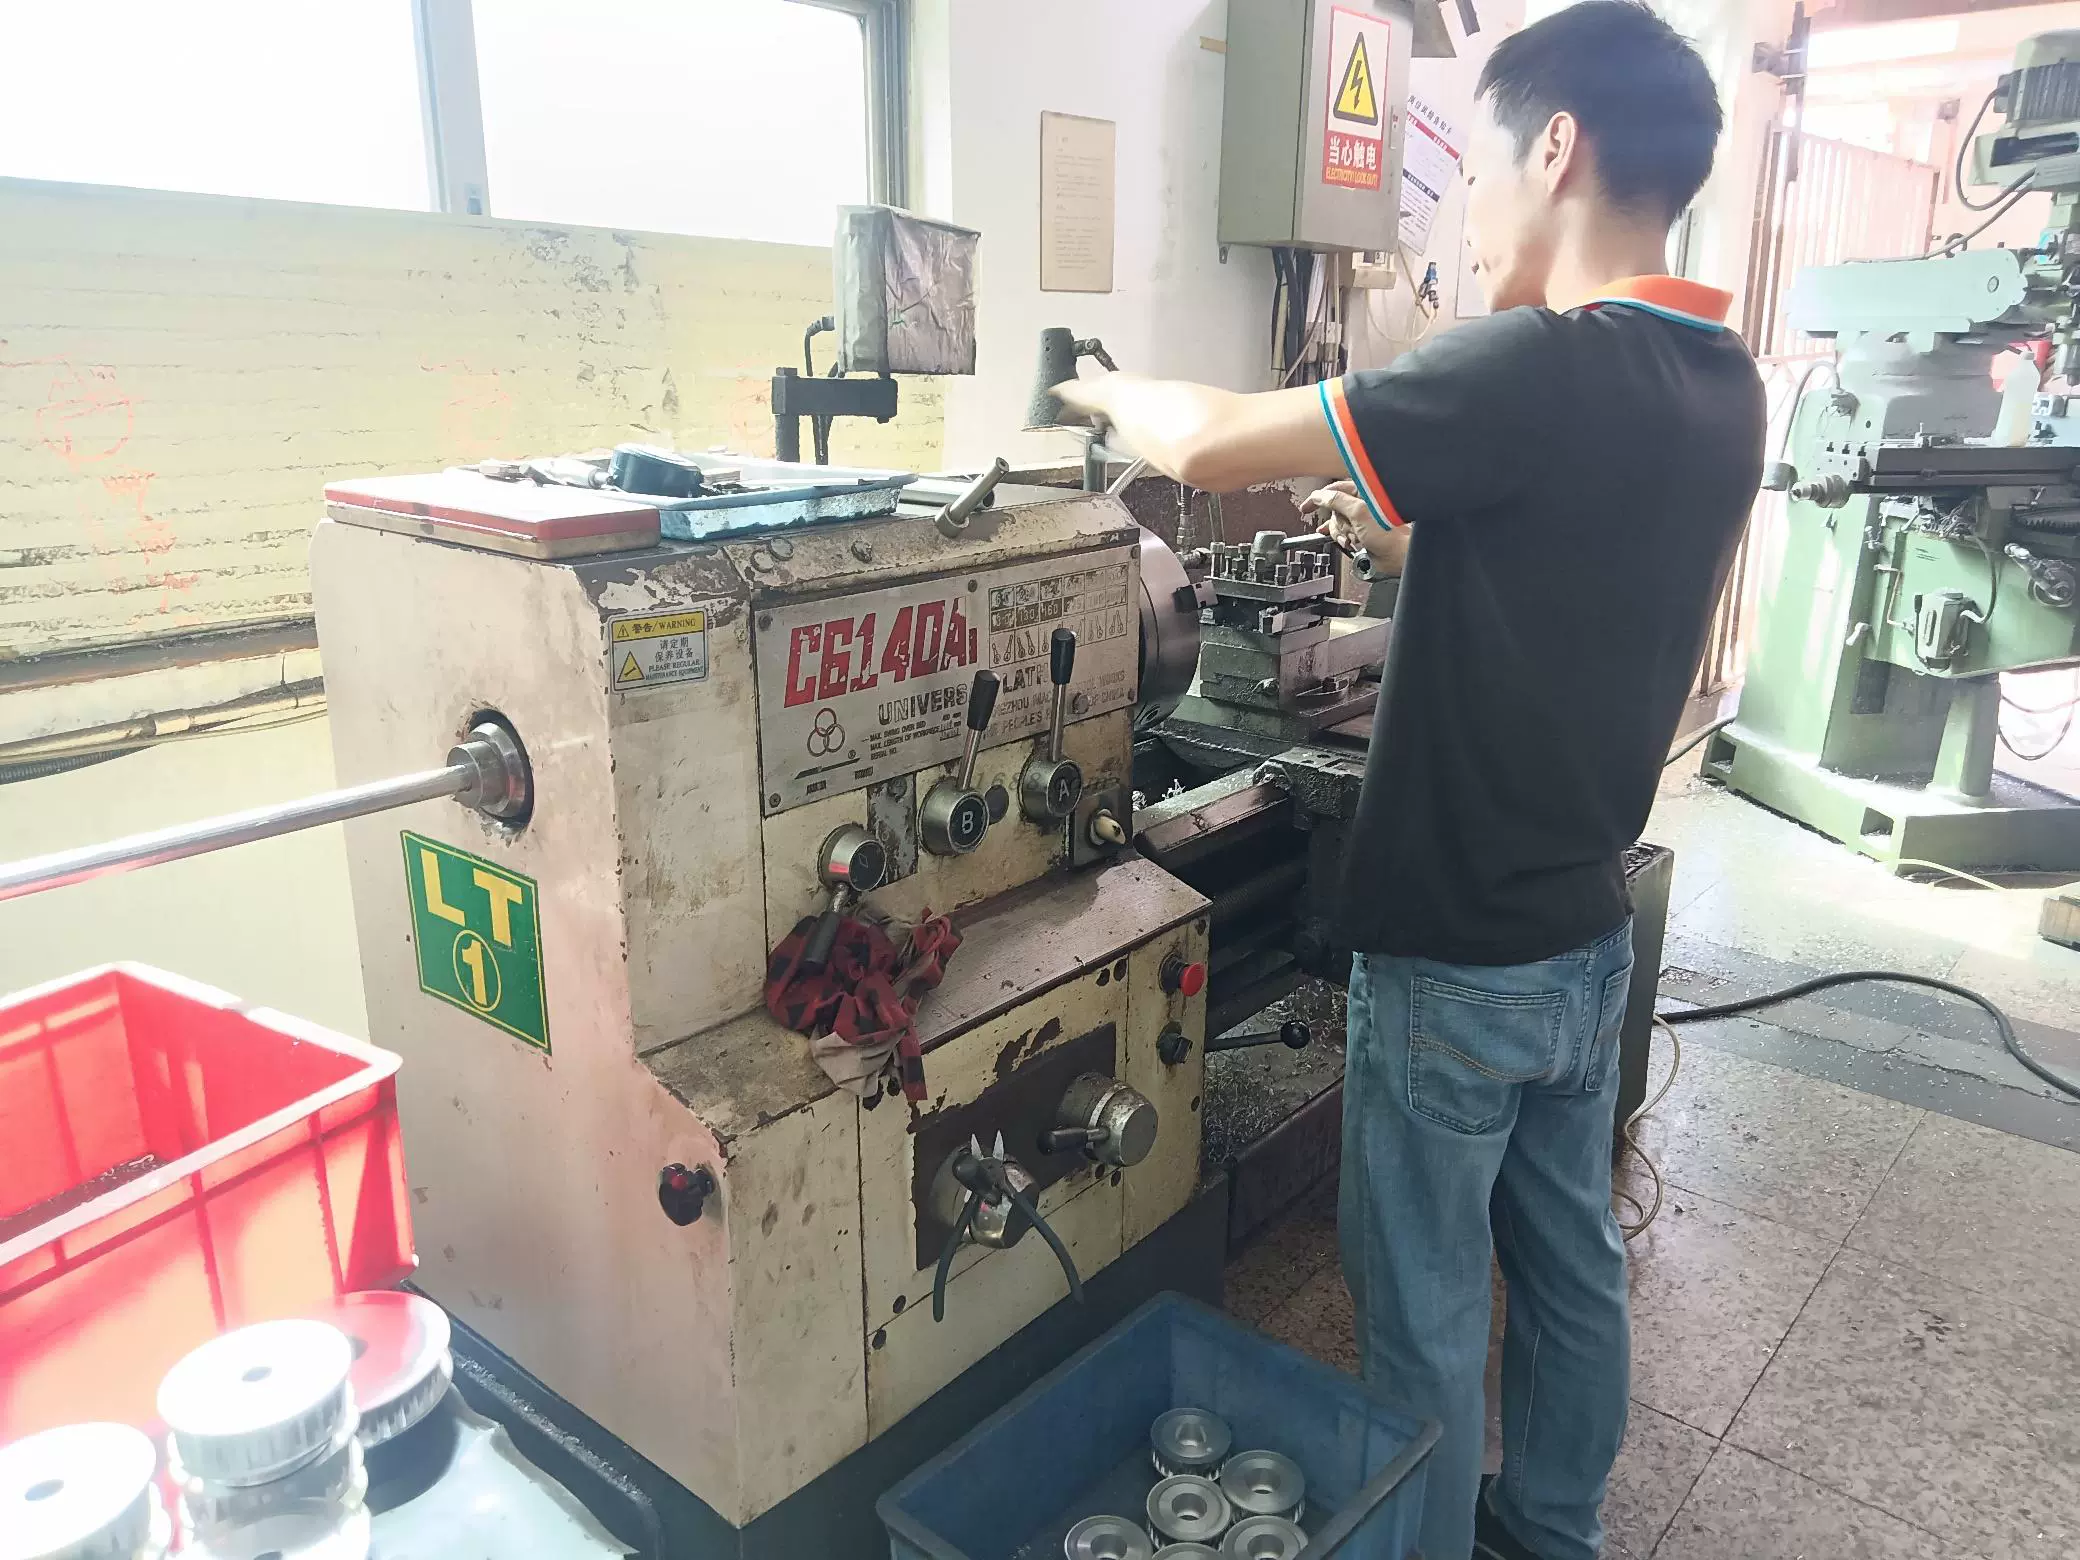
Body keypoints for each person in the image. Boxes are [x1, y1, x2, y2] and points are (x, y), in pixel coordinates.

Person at [1053, 5, 1763, 1556]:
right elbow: (1556, 539)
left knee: (1424, 1307)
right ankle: (1551, 1525)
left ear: (1556, 148)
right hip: (1581, 933)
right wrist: (1387, 516)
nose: (1467, 215)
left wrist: (1102, 392)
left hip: (1452, 954)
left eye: (1478, 173)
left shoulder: (1535, 364)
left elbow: (1211, 443)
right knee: (1569, 1263)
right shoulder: (1721, 379)